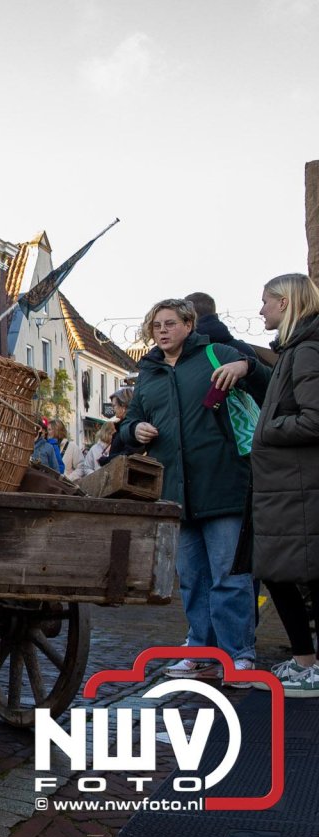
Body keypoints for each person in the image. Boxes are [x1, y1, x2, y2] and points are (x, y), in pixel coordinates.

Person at [118, 298, 270, 682]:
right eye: (156, 326)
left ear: (189, 325)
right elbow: (129, 423)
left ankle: (239, 654)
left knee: (229, 576)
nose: (163, 331)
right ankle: (201, 650)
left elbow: (267, 383)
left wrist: (246, 364)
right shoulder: (148, 374)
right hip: (175, 490)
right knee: (192, 578)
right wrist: (134, 431)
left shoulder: (217, 354)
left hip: (224, 482)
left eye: (170, 323)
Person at [250, 273, 319, 697]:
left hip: (296, 488)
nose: (260, 311)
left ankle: (309, 663)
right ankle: (304, 660)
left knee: (289, 575)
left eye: (265, 302)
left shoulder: (306, 352)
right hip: (285, 486)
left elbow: (315, 418)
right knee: (283, 574)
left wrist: (269, 429)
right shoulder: (294, 351)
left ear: (285, 303)